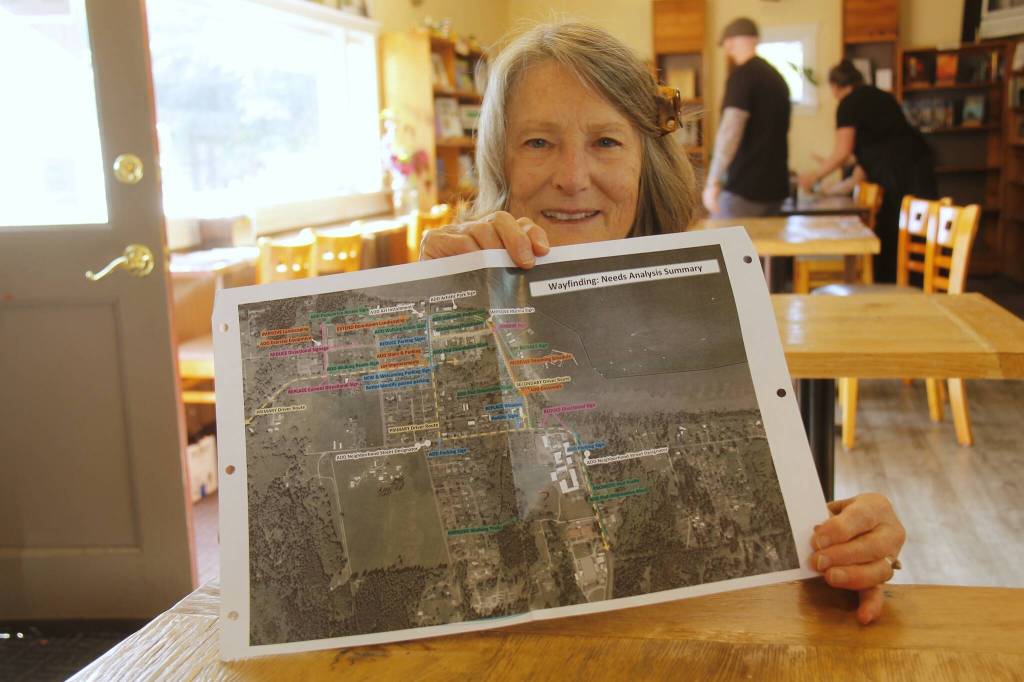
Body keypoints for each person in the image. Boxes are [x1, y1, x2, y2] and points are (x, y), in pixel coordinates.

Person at [421, 22, 906, 624]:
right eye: (538, 143)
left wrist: (850, 541)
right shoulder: (443, 294)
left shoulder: (714, 305)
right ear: (500, 159)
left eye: (606, 142)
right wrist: (434, 311)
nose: (573, 177)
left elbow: (764, 525)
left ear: (647, 161)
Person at [799, 60, 937, 282]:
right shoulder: (879, 96)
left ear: (835, 86)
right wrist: (835, 188)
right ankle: (915, 286)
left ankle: (895, 286)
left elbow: (842, 153)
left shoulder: (849, 104)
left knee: (893, 229)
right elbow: (863, 162)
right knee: (915, 233)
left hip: (898, 172)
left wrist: (813, 176)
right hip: (918, 164)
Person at [702, 17, 791, 218]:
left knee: (720, 245)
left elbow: (730, 131)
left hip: (746, 189)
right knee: (765, 249)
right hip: (776, 188)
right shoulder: (777, 78)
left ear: (730, 42)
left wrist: (713, 180)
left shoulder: (741, 77)